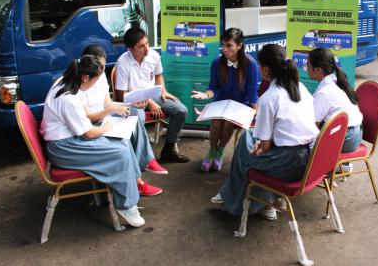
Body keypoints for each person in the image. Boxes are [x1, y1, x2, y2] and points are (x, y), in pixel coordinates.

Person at [211, 44, 319, 220]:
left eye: (260, 66)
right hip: (311, 159)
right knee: (247, 142)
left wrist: (257, 149)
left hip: (289, 164)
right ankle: (269, 201)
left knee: (244, 152)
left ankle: (246, 202)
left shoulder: (269, 98)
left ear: (266, 70)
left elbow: (266, 146)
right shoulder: (301, 87)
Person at [40, 55, 150, 227]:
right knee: (120, 152)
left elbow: (85, 121)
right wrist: (108, 127)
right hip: (64, 148)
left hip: (68, 140)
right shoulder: (68, 98)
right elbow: (89, 134)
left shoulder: (66, 82)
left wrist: (107, 122)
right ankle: (126, 205)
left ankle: (131, 189)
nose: (96, 84)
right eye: (96, 80)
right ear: (85, 78)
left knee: (123, 142)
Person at [78, 45, 167, 194]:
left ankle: (147, 161)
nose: (101, 72)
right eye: (98, 68)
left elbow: (108, 103)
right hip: (93, 123)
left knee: (132, 110)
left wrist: (129, 103)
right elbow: (88, 117)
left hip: (103, 117)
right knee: (124, 138)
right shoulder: (81, 84)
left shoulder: (98, 76)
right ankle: (138, 181)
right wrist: (111, 111)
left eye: (102, 67)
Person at [115, 27, 189, 163]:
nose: (147, 49)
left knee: (181, 110)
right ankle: (141, 158)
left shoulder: (153, 56)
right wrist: (149, 102)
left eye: (147, 44)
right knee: (138, 119)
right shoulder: (122, 63)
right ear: (130, 49)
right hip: (133, 100)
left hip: (153, 95)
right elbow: (121, 96)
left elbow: (158, 75)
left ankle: (168, 150)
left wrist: (163, 90)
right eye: (141, 47)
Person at [191, 28, 259, 172]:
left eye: (229, 45)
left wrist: (255, 114)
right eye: (223, 45)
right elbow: (213, 88)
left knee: (228, 122)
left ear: (239, 45)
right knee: (216, 122)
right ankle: (212, 150)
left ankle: (220, 151)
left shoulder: (250, 64)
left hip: (241, 104)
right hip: (221, 102)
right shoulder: (217, 62)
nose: (224, 49)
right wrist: (205, 95)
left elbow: (252, 92)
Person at [307, 47, 363, 171]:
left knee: (304, 146)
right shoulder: (334, 82)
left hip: (348, 138)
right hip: (355, 133)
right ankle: (340, 165)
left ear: (318, 69)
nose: (306, 69)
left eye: (308, 65)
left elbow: (311, 127)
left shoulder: (324, 92)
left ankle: (333, 166)